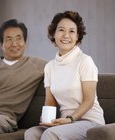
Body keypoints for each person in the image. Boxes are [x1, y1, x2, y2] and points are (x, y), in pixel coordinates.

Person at [24, 10, 105, 140]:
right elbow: (50, 101)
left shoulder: (85, 61)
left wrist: (70, 118)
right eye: (61, 30)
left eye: (72, 31)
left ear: (78, 36)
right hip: (64, 123)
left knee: (50, 134)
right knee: (31, 133)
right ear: (54, 33)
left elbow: (89, 100)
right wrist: (46, 118)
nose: (66, 35)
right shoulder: (50, 66)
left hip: (89, 121)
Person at [0, 19, 46, 140]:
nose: (14, 44)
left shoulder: (37, 65)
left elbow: (61, 66)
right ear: (1, 44)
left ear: (25, 42)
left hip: (2, 117)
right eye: (9, 39)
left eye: (19, 38)